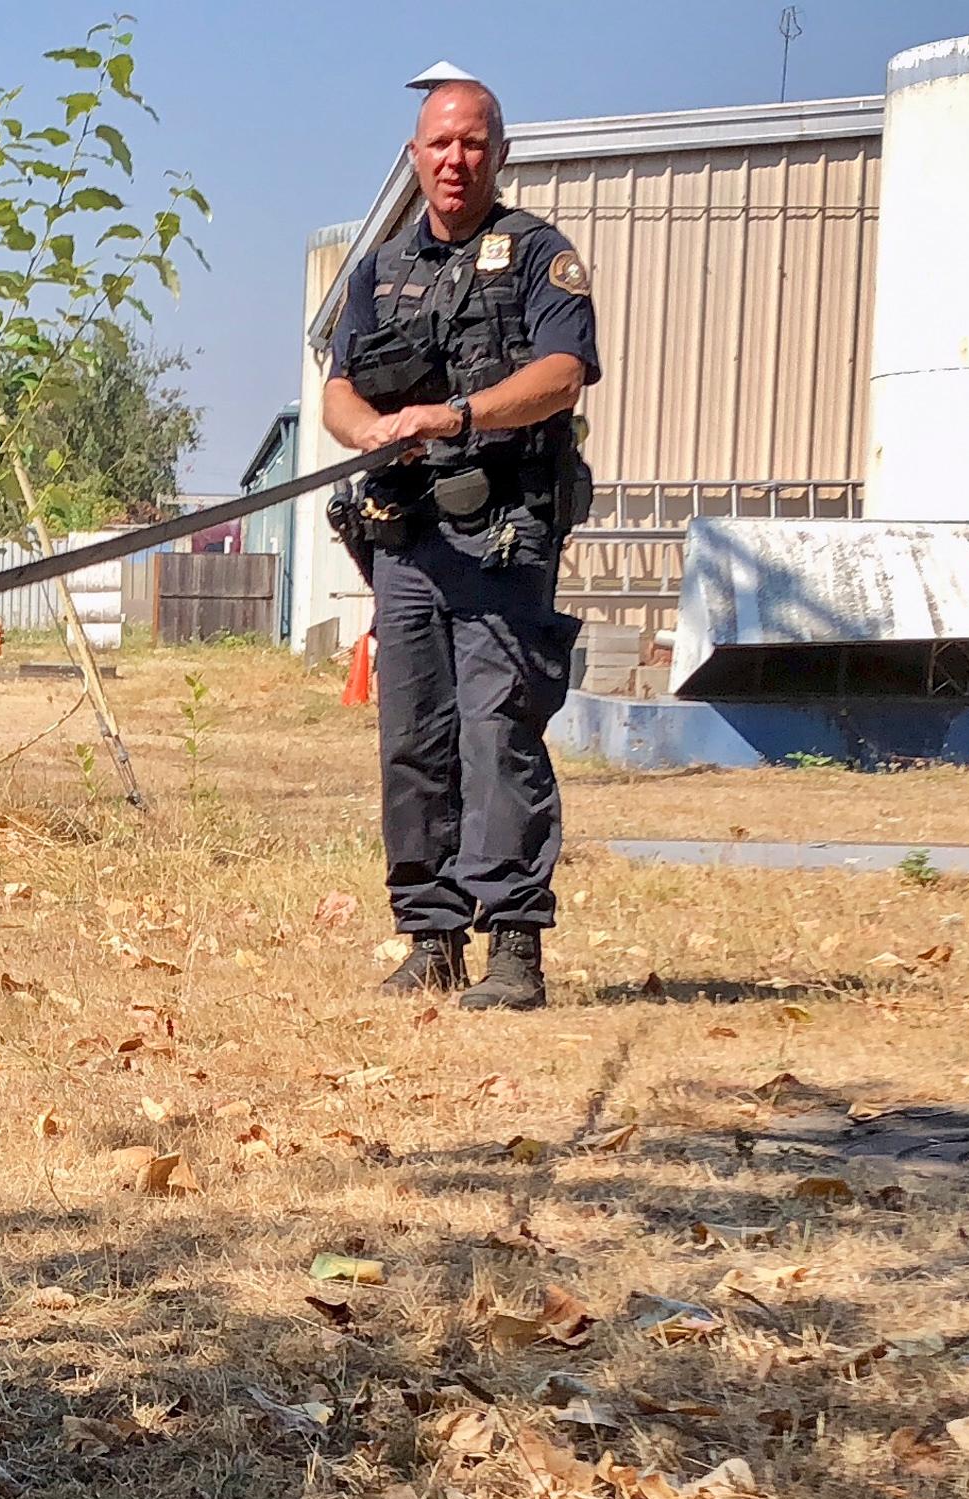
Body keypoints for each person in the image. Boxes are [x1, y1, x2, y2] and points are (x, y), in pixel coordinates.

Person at [321, 78, 599, 1011]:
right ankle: (431, 938)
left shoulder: (538, 257)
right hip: (404, 539)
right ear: (414, 155)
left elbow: (562, 376)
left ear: (499, 154)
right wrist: (367, 429)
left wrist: (460, 414)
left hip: (502, 538)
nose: (455, 160)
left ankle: (514, 949)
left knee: (497, 734)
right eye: (440, 144)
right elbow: (339, 390)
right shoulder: (380, 269)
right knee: (413, 741)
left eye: (474, 144)